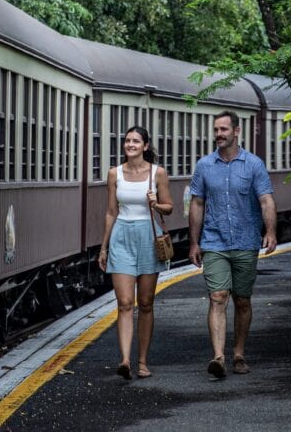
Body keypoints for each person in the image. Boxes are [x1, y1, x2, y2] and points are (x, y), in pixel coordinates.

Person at [188, 110, 277, 379]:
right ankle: (218, 356)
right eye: (216, 129)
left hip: (245, 241)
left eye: (224, 129)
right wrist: (194, 242)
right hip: (214, 241)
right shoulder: (204, 165)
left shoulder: (254, 165)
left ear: (237, 131)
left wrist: (270, 231)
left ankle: (239, 353)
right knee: (217, 297)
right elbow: (197, 203)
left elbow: (266, 200)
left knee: (242, 300)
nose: (219, 134)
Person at [97, 126, 173, 380]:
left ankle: (142, 361)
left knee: (146, 303)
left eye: (136, 141)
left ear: (146, 146)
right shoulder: (114, 173)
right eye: (127, 141)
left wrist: (155, 203)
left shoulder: (157, 173)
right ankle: (125, 360)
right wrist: (104, 246)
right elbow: (111, 212)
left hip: (147, 237)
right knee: (125, 303)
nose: (130, 145)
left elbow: (169, 208)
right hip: (121, 237)